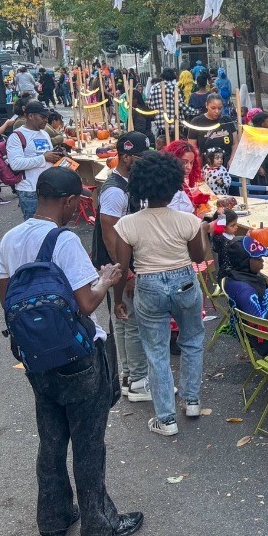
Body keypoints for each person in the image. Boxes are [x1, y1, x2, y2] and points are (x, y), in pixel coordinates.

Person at [0, 167, 143, 536]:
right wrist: (108, 278)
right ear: (68, 201)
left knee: (52, 437)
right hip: (78, 357)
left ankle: (53, 519)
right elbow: (86, 302)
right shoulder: (64, 241)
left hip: (37, 358)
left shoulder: (10, 239)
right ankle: (99, 527)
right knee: (89, 441)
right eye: (78, 201)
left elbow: (5, 296)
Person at [112, 152, 209, 437]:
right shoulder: (187, 220)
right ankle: (192, 401)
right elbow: (198, 256)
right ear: (173, 185)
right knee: (192, 341)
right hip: (185, 282)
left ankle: (166, 419)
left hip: (148, 284)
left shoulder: (127, 224)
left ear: (140, 186)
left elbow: (123, 266)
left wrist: (119, 300)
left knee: (156, 351)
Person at [93, 131, 153, 403]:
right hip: (117, 264)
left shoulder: (128, 183)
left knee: (124, 320)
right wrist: (125, 271)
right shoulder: (115, 190)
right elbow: (110, 235)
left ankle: (128, 378)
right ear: (126, 156)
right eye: (140, 157)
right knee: (133, 322)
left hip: (119, 264)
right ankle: (139, 381)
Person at [186, 94, 240, 168]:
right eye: (213, 108)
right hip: (206, 167)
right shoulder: (197, 122)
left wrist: (232, 159)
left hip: (227, 167)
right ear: (206, 105)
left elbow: (235, 143)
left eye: (220, 108)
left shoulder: (227, 120)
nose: (217, 111)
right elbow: (192, 146)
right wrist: (199, 165)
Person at [145, 69, 189, 141]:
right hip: (175, 125)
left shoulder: (154, 87)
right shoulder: (175, 87)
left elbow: (151, 105)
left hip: (161, 124)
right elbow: (180, 105)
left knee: (163, 146)